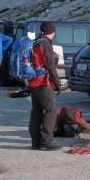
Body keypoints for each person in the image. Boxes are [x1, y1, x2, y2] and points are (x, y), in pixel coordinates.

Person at [27, 21, 63, 151]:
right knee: (50, 110)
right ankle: (47, 141)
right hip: (43, 82)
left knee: (36, 112)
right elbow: (50, 65)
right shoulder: (46, 44)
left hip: (33, 81)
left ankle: (35, 141)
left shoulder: (36, 42)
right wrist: (58, 84)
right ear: (51, 32)